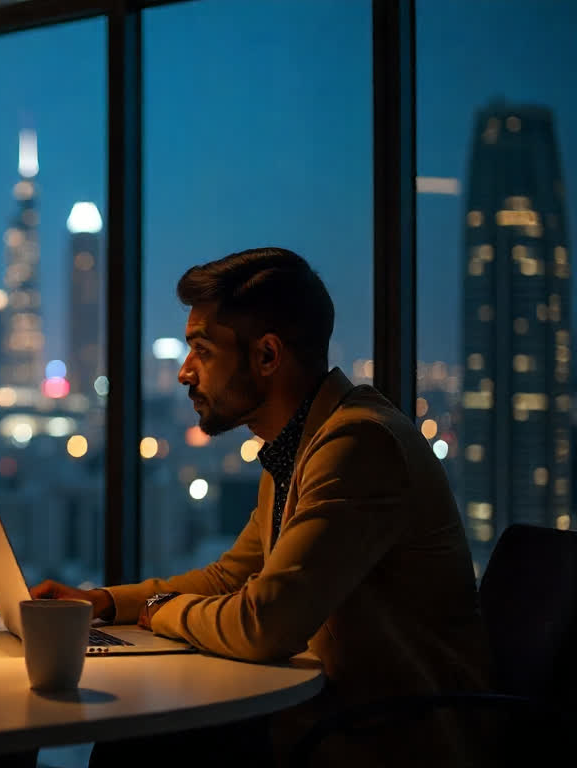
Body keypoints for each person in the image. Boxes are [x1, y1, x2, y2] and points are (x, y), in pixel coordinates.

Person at [31, 248, 491, 766]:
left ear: (267, 356)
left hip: (384, 739)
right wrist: (106, 603)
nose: (184, 373)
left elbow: (264, 623)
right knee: (139, 743)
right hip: (327, 718)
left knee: (138, 751)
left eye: (202, 351)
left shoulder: (359, 444)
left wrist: (160, 613)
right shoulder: (300, 444)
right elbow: (233, 577)